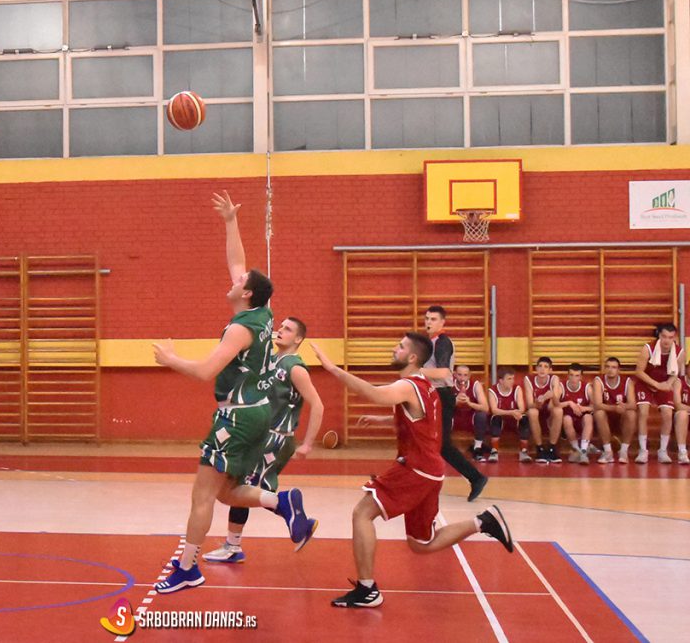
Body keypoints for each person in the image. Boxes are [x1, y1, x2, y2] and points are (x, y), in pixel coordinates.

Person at [152, 192, 316, 594]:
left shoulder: (241, 329)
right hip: (258, 413)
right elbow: (237, 263)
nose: (235, 279)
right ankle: (282, 502)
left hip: (237, 417)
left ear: (246, 294)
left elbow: (206, 370)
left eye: (241, 282)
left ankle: (187, 568)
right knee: (226, 492)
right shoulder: (262, 312)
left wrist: (170, 359)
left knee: (203, 495)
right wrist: (230, 221)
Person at [311, 335, 513, 609]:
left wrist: (333, 369)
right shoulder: (426, 387)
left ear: (413, 357)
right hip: (431, 470)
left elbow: (373, 393)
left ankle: (367, 589)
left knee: (362, 513)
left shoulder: (407, 386)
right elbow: (421, 420)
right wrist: (384, 419)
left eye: (401, 346)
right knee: (421, 543)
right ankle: (484, 521)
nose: (394, 348)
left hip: (416, 468)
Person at [203, 316, 324, 564]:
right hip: (260, 434)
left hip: (277, 438)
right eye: (280, 326)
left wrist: (308, 443)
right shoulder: (270, 361)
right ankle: (296, 520)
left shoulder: (295, 368)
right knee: (243, 488)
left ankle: (234, 545)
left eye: (288, 329)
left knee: (239, 489)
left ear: (298, 338)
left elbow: (318, 405)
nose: (281, 330)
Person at [422, 306, 487, 501]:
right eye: (427, 318)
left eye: (433, 319)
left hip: (441, 395)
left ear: (442, 322)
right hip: (430, 394)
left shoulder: (443, 342)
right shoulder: (429, 342)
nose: (428, 322)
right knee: (424, 438)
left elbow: (443, 372)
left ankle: (476, 477)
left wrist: (415, 372)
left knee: (441, 444)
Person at [633, 323, 684, 464]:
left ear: (674, 338)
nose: (667, 340)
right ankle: (643, 450)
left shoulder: (679, 352)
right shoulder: (648, 348)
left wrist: (668, 383)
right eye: (664, 336)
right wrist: (656, 385)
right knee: (643, 412)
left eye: (670, 337)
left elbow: (675, 373)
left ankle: (663, 450)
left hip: (664, 383)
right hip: (646, 383)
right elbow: (639, 371)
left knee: (667, 414)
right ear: (659, 336)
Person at [592, 357, 636, 464]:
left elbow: (633, 404)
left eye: (613, 367)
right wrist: (614, 408)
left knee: (631, 413)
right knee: (599, 413)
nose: (610, 370)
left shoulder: (627, 382)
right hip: (606, 416)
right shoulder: (598, 381)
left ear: (618, 370)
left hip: (621, 416)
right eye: (608, 367)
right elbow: (597, 404)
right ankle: (608, 452)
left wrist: (624, 406)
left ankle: (624, 451)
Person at [485, 367, 531, 463]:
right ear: (501, 381)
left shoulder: (517, 389)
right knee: (496, 418)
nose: (512, 381)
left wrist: (516, 413)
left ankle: (523, 451)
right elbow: (494, 410)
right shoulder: (492, 390)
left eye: (513, 378)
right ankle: (494, 451)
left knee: (524, 418)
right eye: (509, 379)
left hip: (514, 419)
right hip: (501, 418)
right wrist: (511, 412)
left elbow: (522, 408)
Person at [523, 357, 562, 464]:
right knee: (532, 412)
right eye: (540, 366)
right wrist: (538, 402)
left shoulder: (554, 379)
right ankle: (539, 449)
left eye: (546, 367)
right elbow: (529, 405)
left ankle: (552, 448)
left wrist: (551, 396)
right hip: (536, 409)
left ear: (550, 370)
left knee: (558, 411)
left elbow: (556, 404)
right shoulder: (528, 379)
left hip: (549, 411)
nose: (542, 369)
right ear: (536, 368)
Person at [558, 364, 594, 464]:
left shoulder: (587, 387)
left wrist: (583, 408)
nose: (574, 378)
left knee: (588, 417)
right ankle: (578, 449)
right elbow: (554, 405)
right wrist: (569, 403)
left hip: (582, 420)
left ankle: (583, 451)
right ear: (568, 376)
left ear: (581, 377)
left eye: (577, 375)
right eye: (571, 375)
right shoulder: (561, 386)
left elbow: (595, 406)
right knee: (566, 419)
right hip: (567, 421)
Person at [452, 365, 489, 460]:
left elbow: (485, 407)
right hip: (454, 416)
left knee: (482, 415)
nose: (462, 378)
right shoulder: (449, 383)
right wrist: (454, 401)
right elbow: (440, 405)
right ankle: (444, 447)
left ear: (469, 376)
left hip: (470, 416)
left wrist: (469, 403)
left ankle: (477, 448)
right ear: (454, 374)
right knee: (442, 414)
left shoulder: (476, 385)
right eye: (459, 375)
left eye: (465, 375)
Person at [675, 373, 689, 465]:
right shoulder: (679, 381)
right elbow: (677, 405)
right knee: (682, 414)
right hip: (683, 416)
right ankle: (682, 452)